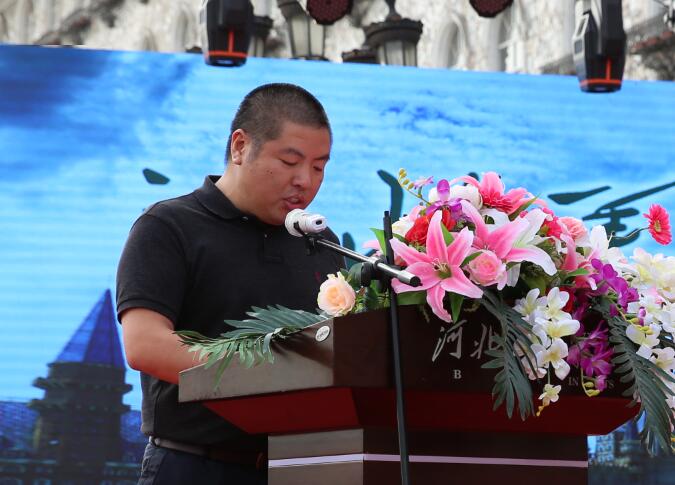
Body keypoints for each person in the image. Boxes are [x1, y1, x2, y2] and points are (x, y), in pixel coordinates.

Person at [116, 83, 345, 485]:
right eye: (290, 161)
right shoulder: (168, 226)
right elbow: (145, 345)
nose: (304, 181)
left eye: (318, 167)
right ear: (240, 146)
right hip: (195, 466)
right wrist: (269, 375)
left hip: (299, 469)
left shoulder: (321, 243)